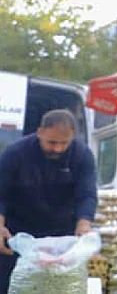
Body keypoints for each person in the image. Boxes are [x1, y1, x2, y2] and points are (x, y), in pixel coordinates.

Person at [0, 109, 97, 293]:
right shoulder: (14, 154)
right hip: (18, 238)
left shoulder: (82, 155)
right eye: (52, 142)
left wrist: (84, 224)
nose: (57, 149)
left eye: (64, 143)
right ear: (39, 132)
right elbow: (1, 193)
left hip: (62, 240)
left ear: (72, 137)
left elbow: (87, 195)